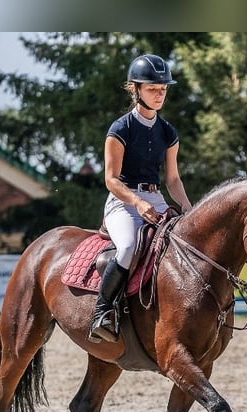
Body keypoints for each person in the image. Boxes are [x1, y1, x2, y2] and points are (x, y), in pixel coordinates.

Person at [89, 54, 193, 343]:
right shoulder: (120, 129)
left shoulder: (168, 132)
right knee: (128, 248)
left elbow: (172, 179)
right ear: (135, 89)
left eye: (163, 89)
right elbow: (111, 179)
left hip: (156, 197)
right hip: (122, 200)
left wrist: (187, 207)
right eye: (152, 89)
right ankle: (102, 312)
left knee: (185, 242)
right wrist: (136, 202)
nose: (160, 94)